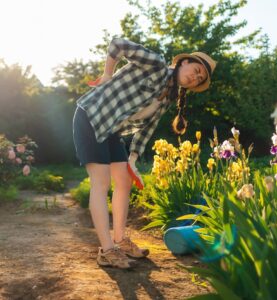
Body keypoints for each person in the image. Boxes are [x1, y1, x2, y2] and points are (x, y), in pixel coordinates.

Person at [72, 37, 216, 269]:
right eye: (196, 70)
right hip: (92, 115)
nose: (194, 77)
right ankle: (107, 251)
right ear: (185, 62)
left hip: (111, 129)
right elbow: (118, 44)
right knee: (101, 182)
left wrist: (133, 160)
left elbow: (146, 129)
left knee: (125, 181)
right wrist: (108, 74)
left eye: (199, 79)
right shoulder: (156, 64)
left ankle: (120, 240)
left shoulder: (168, 97)